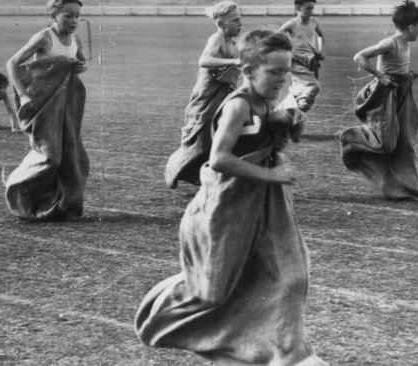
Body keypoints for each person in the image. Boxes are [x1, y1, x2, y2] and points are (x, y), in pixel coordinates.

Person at [135, 29, 326, 366]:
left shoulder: (265, 100)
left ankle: (290, 354)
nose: (283, 79)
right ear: (249, 69)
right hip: (228, 207)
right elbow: (220, 159)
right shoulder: (238, 105)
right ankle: (175, 293)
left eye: (286, 71)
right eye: (275, 71)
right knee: (213, 291)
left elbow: (268, 133)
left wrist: (290, 121)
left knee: (291, 274)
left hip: (266, 206)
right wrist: (271, 173)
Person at [4, 0, 89, 220]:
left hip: (67, 105)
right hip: (42, 106)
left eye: (77, 16)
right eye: (68, 15)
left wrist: (81, 65)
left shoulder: (76, 39)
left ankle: (61, 205)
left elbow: (81, 63)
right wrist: (23, 95)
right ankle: (17, 189)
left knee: (72, 155)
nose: (74, 21)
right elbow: (12, 63)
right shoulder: (44, 37)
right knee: (51, 157)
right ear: (54, 15)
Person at [340, 0, 418, 200]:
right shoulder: (391, 43)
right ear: (411, 27)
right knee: (386, 143)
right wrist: (379, 75)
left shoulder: (406, 43)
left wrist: (407, 75)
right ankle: (352, 137)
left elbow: (398, 67)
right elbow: (359, 57)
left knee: (406, 142)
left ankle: (406, 189)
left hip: (402, 92)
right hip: (385, 94)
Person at [164, 1, 243, 188]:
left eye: (241, 19)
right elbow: (204, 60)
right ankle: (174, 168)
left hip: (224, 97)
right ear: (222, 25)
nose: (241, 23)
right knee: (200, 139)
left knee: (223, 136)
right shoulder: (216, 39)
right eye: (235, 20)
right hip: (206, 100)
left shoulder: (233, 43)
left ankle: (211, 176)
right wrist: (234, 61)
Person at [278, 0, 324, 113]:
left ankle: (281, 112)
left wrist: (319, 51)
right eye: (308, 8)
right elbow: (276, 35)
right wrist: (286, 50)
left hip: (311, 59)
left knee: (299, 90)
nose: (311, 11)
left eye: (312, 8)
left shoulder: (314, 22)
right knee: (312, 87)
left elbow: (320, 35)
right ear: (298, 8)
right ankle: (297, 112)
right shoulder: (292, 23)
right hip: (295, 61)